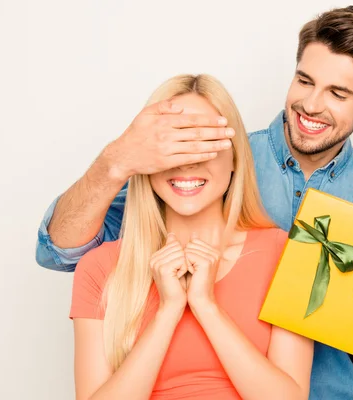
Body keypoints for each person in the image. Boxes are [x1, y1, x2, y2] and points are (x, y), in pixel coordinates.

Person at [36, 6, 353, 399]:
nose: (312, 104)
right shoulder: (213, 155)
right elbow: (63, 252)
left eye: (338, 93)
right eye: (304, 81)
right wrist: (116, 161)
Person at [69, 74, 313, 399]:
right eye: (174, 146)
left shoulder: (289, 253)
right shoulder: (99, 267)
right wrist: (169, 310)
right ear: (146, 162)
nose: (187, 163)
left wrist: (205, 305)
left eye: (204, 145)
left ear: (235, 159)